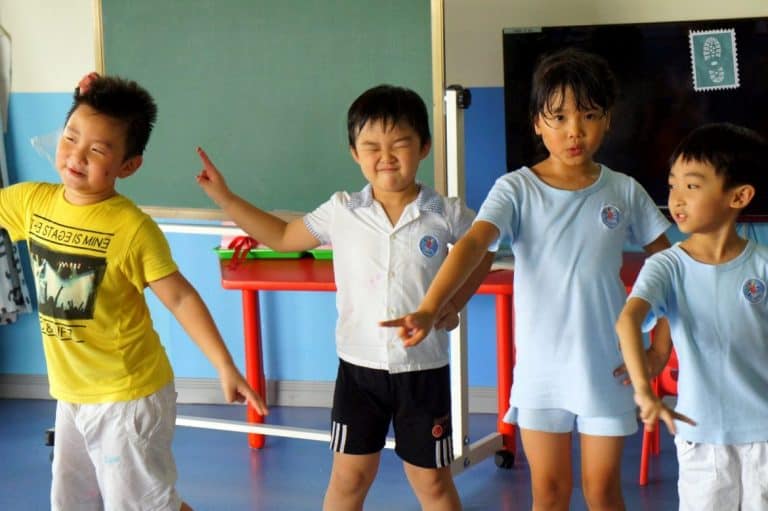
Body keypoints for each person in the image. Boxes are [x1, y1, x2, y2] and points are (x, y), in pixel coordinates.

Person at [381, 47, 672, 510]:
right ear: (537, 123)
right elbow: (476, 244)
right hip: (541, 370)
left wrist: (660, 346)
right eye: (557, 117)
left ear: (607, 120)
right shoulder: (516, 188)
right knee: (550, 494)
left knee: (602, 492)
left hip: (608, 366)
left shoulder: (624, 190)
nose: (573, 130)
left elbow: (669, 266)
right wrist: (431, 306)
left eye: (589, 115)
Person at [195, 84, 492, 511]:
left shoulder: (444, 212)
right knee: (349, 480)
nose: (385, 156)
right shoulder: (342, 210)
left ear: (424, 146)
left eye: (400, 143)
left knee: (433, 485)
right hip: (359, 372)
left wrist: (452, 305)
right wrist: (225, 197)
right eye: (371, 145)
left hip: (422, 369)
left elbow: (482, 251)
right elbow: (280, 236)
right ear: (354, 152)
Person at [0, 74, 268, 511]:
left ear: (128, 165)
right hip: (72, 393)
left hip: (127, 397)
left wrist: (224, 364)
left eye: (98, 150)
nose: (77, 156)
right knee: (73, 502)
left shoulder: (132, 228)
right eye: (70, 138)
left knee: (143, 505)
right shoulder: (31, 202)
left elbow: (180, 297)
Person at [615, 122, 768, 511]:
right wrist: (643, 391)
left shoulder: (763, 265)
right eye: (672, 185)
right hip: (700, 436)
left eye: (692, 185)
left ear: (739, 196)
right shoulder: (666, 266)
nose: (677, 198)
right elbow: (629, 320)